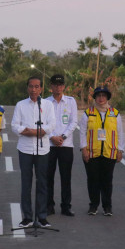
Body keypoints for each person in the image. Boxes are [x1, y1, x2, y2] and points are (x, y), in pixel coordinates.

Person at [11, 76, 55, 228]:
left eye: (37, 86)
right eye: (31, 86)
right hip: (25, 149)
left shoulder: (48, 105)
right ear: (27, 88)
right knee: (26, 183)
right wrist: (27, 131)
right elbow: (14, 125)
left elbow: (52, 124)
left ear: (41, 88)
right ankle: (27, 217)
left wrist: (38, 131)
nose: (34, 89)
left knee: (42, 183)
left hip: (42, 149)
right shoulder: (21, 105)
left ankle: (42, 216)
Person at [79, 86, 124, 216]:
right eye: (98, 96)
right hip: (92, 152)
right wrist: (84, 149)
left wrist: (120, 150)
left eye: (104, 96)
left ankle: (107, 206)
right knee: (93, 180)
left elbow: (120, 133)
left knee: (107, 181)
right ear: (95, 98)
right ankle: (93, 205)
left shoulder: (115, 113)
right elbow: (82, 132)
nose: (101, 98)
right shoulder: (89, 113)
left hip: (109, 152)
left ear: (107, 98)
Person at [45, 74, 78, 217]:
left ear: (64, 86)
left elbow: (73, 122)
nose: (57, 87)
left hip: (66, 144)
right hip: (49, 145)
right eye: (55, 85)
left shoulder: (71, 101)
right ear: (51, 86)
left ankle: (66, 206)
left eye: (60, 85)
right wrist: (52, 137)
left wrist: (62, 137)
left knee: (66, 177)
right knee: (48, 177)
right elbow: (44, 123)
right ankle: (48, 206)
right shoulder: (45, 102)